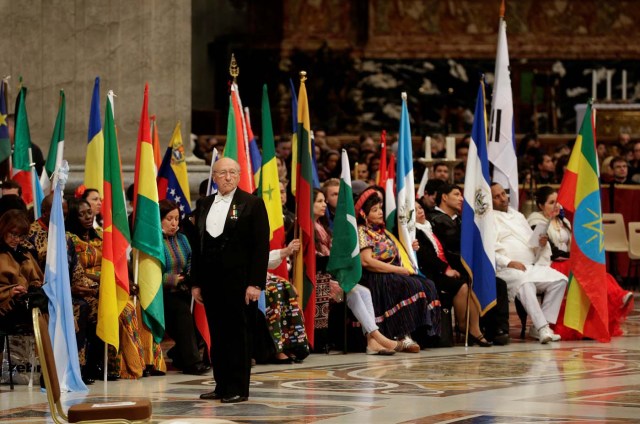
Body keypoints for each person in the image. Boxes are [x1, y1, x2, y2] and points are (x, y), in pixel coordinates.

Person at [192, 157, 269, 404]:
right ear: (214, 176)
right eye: (223, 173)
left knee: (238, 335)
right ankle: (221, 385)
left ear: (239, 175)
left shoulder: (251, 203)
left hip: (240, 282)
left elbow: (260, 247)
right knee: (218, 334)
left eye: (233, 172)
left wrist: (256, 284)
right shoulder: (204, 203)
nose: (228, 177)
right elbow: (198, 245)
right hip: (211, 282)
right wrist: (196, 282)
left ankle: (238, 388)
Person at [527, 186, 633, 339]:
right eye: (551, 203)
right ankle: (617, 294)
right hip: (548, 264)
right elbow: (553, 252)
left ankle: (594, 322)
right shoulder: (536, 222)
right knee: (582, 270)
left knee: (590, 269)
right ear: (541, 206)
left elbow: (574, 245)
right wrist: (574, 257)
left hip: (568, 262)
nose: (556, 205)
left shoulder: (563, 221)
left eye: (558, 202)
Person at [356, 188, 441, 350]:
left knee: (428, 284)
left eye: (380, 209)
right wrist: (396, 270)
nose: (380, 212)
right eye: (374, 210)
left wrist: (410, 248)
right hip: (375, 276)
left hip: (391, 272)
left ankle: (423, 334)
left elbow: (398, 253)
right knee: (411, 285)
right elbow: (366, 262)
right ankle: (402, 334)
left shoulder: (383, 232)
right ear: (363, 214)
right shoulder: (362, 231)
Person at [429, 183, 510, 345]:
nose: (461, 199)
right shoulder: (434, 219)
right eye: (457, 195)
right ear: (444, 197)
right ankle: (468, 327)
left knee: (497, 283)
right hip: (448, 268)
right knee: (473, 283)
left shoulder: (460, 220)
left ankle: (497, 329)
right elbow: (450, 244)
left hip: (466, 267)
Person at [491, 183, 567, 344]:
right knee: (526, 284)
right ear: (489, 201)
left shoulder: (518, 215)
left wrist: (541, 243)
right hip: (506, 269)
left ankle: (539, 325)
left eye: (503, 194)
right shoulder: (488, 218)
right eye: (496, 197)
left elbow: (531, 244)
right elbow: (489, 249)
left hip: (530, 265)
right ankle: (542, 328)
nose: (502, 199)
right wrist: (509, 262)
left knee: (560, 280)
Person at [414, 201, 490, 346]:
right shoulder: (414, 232)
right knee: (461, 286)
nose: (420, 211)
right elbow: (426, 255)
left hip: (444, 268)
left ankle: (475, 328)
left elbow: (445, 250)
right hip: (430, 272)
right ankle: (463, 325)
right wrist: (446, 269)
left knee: (472, 279)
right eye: (415, 210)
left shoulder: (431, 226)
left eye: (420, 207)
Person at [159, 199, 210, 375]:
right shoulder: (153, 243)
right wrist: (175, 279)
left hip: (185, 289)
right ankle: (192, 362)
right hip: (163, 294)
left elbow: (191, 259)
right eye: (169, 219)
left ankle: (180, 353)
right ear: (158, 219)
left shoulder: (182, 238)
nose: (174, 223)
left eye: (176, 218)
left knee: (206, 306)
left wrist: (189, 275)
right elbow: (150, 275)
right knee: (183, 313)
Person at [262, 239, 310, 363]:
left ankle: (292, 344)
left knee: (287, 288)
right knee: (274, 291)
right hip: (241, 278)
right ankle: (276, 349)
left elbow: (260, 258)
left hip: (258, 275)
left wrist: (286, 251)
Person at [0, 210, 44, 339]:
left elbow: (37, 278)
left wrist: (33, 287)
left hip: (27, 302)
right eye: (13, 234)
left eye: (21, 236)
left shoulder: (25, 253)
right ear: (3, 229)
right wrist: (10, 292)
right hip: (7, 307)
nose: (17, 239)